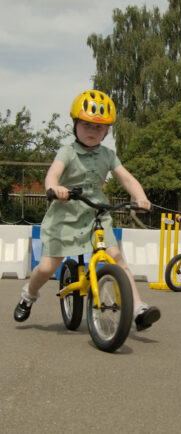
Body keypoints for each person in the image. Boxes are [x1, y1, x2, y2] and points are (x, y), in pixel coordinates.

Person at [14, 90, 161, 331]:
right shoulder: (68, 152)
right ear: (74, 124)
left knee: (116, 257)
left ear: (107, 131)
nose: (93, 131)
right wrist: (54, 188)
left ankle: (138, 308)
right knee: (48, 267)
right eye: (86, 125)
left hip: (97, 213)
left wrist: (140, 197)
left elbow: (127, 179)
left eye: (99, 127)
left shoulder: (108, 155)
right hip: (65, 214)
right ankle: (28, 295)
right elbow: (53, 173)